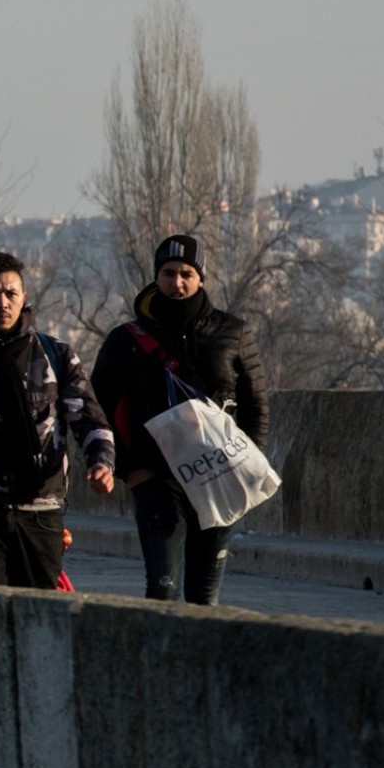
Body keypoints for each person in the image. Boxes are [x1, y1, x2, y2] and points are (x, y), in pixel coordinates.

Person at [90, 234, 269, 605]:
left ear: (201, 278)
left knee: (205, 595)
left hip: (217, 474)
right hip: (156, 478)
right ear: (156, 277)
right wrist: (128, 468)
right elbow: (95, 408)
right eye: (169, 273)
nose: (178, 282)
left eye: (187, 273)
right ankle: (158, 661)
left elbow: (256, 405)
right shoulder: (126, 340)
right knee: (163, 588)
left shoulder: (231, 333)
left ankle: (204, 662)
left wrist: (249, 462)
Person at [0, 252, 116, 588]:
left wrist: (101, 463)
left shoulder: (55, 356)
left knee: (38, 614)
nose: (1, 303)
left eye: (10, 294)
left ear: (24, 296)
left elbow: (90, 421)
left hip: (40, 510)